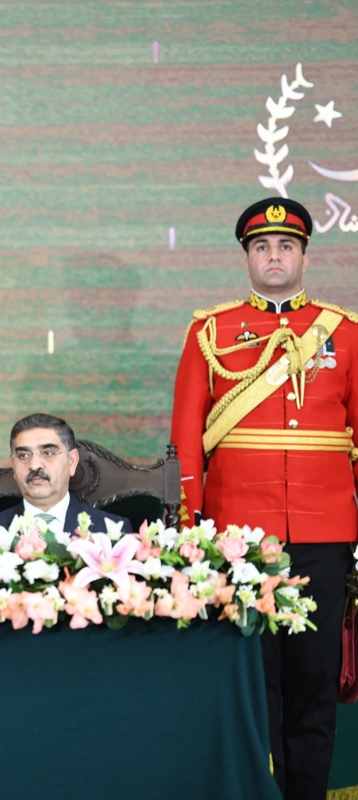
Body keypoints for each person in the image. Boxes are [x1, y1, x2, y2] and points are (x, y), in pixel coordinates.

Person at [170, 197, 357, 800]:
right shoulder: (211, 331)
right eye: (261, 247)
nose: (273, 256)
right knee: (255, 681)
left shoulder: (345, 333)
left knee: (314, 682)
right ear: (247, 258)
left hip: (326, 534)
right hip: (239, 535)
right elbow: (185, 436)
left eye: (285, 246)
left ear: (303, 255)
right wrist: (192, 521)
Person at [0, 413, 132, 534]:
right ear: (13, 465)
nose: (34, 465)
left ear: (71, 461)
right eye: (23, 456)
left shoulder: (112, 531)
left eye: (48, 453)